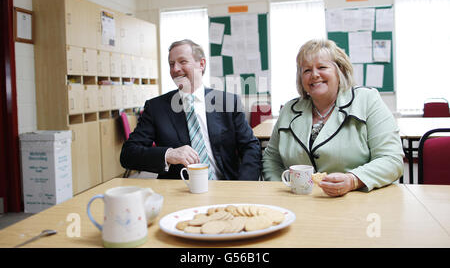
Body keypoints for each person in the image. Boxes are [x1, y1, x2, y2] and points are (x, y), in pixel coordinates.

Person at [262, 39, 404, 196]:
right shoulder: (289, 110)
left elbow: (392, 160)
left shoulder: (367, 100)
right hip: (300, 203)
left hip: (359, 201)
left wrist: (353, 180)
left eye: (322, 67)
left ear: (340, 71)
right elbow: (271, 159)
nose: (314, 75)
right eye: (307, 70)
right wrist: (281, 188)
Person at [120, 39, 262, 180]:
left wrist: (243, 185)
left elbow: (251, 147)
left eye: (182, 62)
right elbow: (128, 154)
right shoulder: (156, 108)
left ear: (201, 64)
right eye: (171, 64)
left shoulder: (228, 102)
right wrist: (168, 154)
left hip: (225, 186)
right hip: (180, 190)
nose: (175, 69)